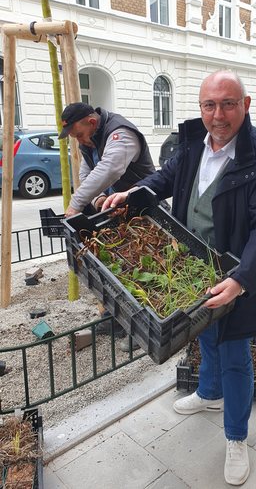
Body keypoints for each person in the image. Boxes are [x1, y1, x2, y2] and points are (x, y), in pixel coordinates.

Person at [102, 71, 256, 486]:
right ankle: (209, 394)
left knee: (236, 357)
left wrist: (242, 279)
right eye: (210, 105)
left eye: (227, 104)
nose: (218, 114)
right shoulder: (193, 143)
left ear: (245, 105)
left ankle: (237, 437)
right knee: (204, 337)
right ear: (201, 108)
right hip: (194, 270)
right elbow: (165, 178)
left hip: (237, 277)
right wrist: (132, 195)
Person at [60, 102, 156, 345]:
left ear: (92, 123)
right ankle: (113, 320)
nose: (78, 141)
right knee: (114, 266)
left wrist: (76, 205)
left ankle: (143, 329)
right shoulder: (88, 141)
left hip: (142, 212)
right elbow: (86, 175)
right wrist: (97, 198)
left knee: (142, 268)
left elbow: (110, 168)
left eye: (79, 134)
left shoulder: (120, 133)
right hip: (115, 213)